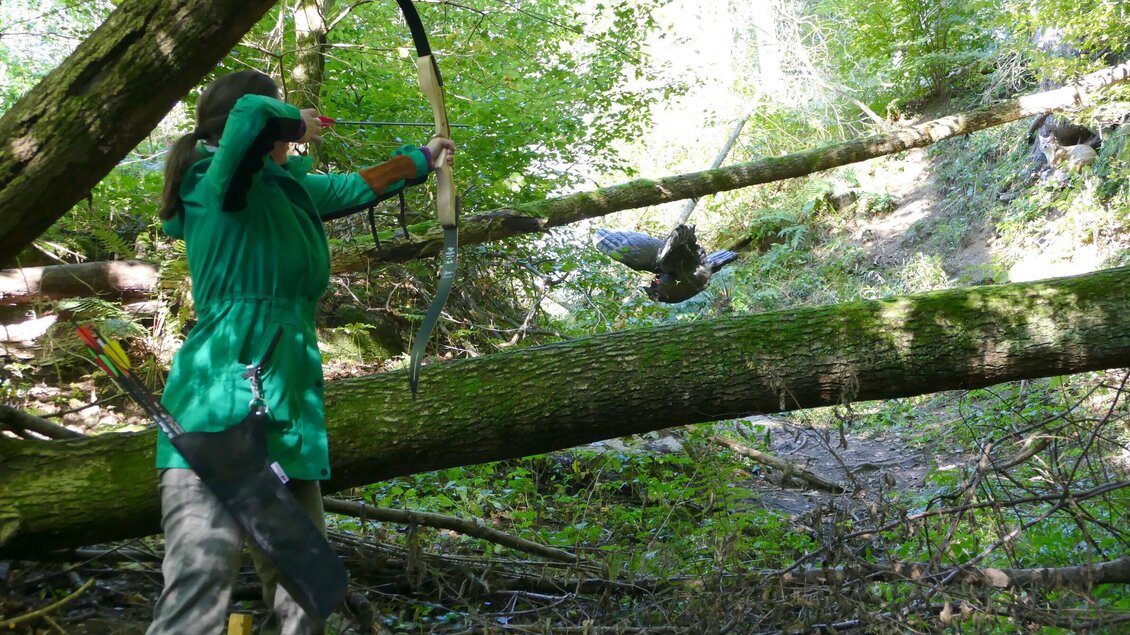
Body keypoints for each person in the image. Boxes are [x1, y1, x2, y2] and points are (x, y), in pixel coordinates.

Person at [147, 69, 454, 635]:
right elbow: (245, 124)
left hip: (285, 416)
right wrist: (291, 119)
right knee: (197, 594)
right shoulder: (216, 186)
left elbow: (357, 184)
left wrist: (421, 159)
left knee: (304, 597)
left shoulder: (284, 190)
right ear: (266, 129)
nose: (292, 134)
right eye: (281, 121)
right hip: (217, 415)